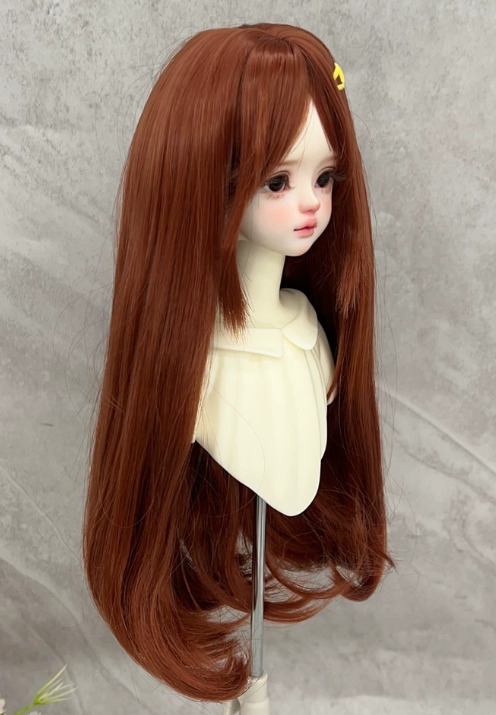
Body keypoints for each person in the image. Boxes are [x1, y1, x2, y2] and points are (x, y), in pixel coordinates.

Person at [82, 22, 395, 704]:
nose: (310, 203)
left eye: (325, 176)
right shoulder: (197, 369)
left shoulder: (311, 333)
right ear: (202, 180)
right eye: (277, 180)